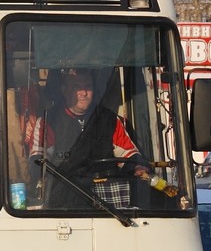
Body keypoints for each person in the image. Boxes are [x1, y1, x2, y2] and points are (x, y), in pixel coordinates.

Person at [28, 69, 155, 207]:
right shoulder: (48, 121)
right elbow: (38, 160)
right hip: (65, 202)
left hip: (109, 204)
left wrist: (137, 165)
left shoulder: (109, 120)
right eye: (77, 87)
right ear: (64, 91)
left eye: (88, 87)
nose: (83, 93)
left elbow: (129, 153)